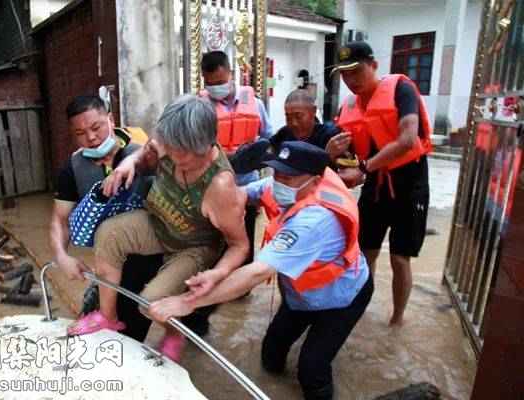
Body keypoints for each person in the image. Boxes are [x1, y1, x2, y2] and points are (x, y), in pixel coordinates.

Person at [149, 141, 373, 400]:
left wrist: (188, 302)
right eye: (276, 172)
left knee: (311, 370)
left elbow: (255, 273)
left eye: (287, 177)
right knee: (271, 357)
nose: (278, 181)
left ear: (314, 182)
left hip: (340, 299)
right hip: (300, 296)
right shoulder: (287, 186)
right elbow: (245, 193)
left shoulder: (314, 221)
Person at [67, 95, 249, 362]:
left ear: (205, 145)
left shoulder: (220, 187)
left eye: (182, 154)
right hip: (158, 222)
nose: (172, 157)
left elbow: (240, 245)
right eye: (169, 148)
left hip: (193, 246)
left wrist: (218, 273)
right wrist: (130, 163)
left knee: (151, 303)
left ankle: (174, 333)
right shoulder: (167, 142)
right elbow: (147, 150)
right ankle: (108, 317)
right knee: (108, 233)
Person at [50, 95, 167, 342]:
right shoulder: (71, 169)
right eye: (80, 133)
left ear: (111, 119)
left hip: (150, 254)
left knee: (131, 334)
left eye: (96, 127)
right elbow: (60, 220)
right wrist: (62, 256)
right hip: (108, 260)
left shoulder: (142, 153)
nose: (91, 138)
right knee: (91, 334)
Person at [333, 41, 432, 326]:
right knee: (365, 252)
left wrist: (363, 169)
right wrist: (338, 159)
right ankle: (359, 311)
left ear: (374, 65)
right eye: (344, 74)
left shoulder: (401, 89)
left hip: (410, 183)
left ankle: (397, 319)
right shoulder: (349, 105)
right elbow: (348, 155)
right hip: (375, 185)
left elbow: (407, 139)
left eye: (356, 71)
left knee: (400, 258)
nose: (350, 80)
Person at [200, 50, 273, 268]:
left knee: (245, 235)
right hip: (212, 184)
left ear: (231, 74)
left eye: (221, 81)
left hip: (246, 183)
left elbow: (269, 137)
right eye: (210, 84)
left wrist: (259, 160)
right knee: (214, 237)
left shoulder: (255, 104)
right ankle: (215, 281)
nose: (216, 88)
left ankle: (240, 287)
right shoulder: (200, 107)